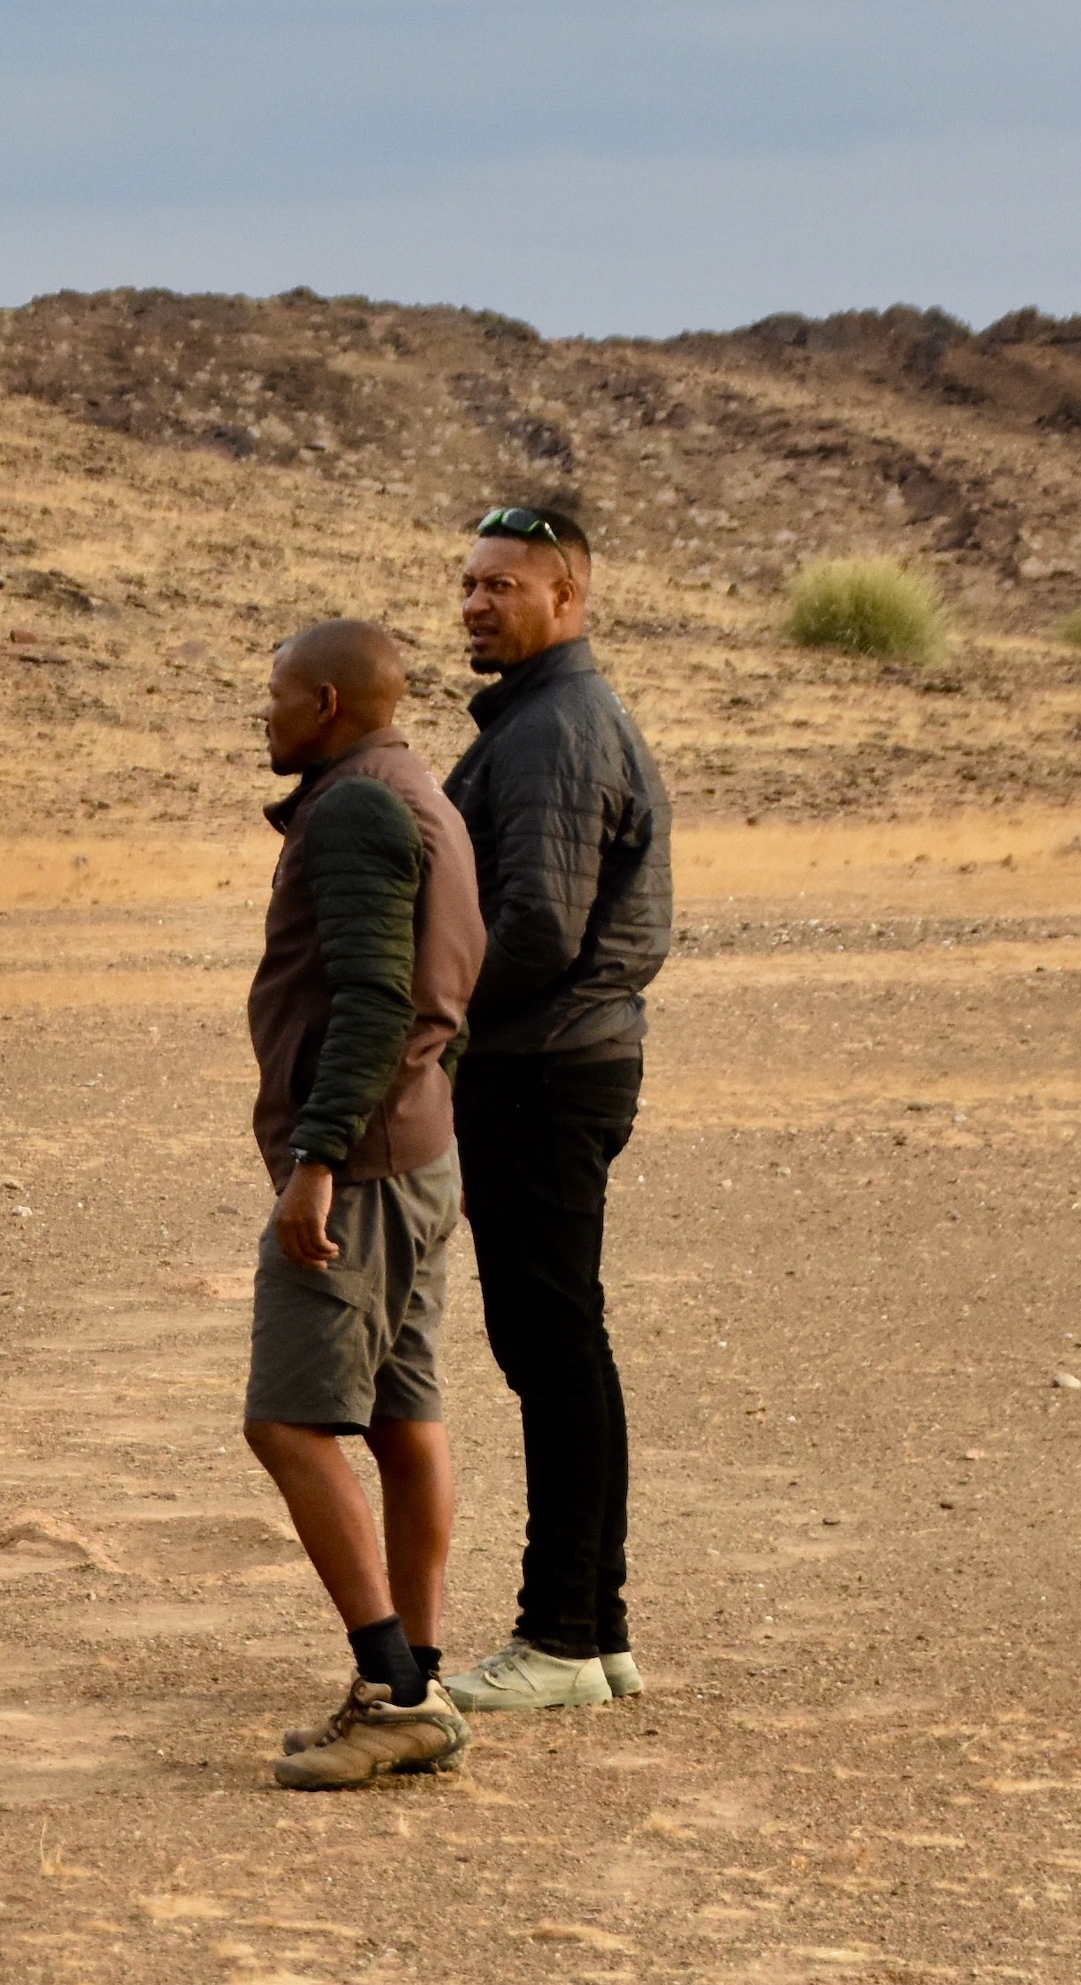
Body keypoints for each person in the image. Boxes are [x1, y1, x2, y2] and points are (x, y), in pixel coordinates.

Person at [240, 621, 485, 1790]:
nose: (266, 714)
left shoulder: (352, 811)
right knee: (400, 1414)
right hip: (419, 1146)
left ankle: (394, 1688)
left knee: (286, 1421)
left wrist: (317, 1155)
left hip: (369, 1162)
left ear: (326, 702)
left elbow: (375, 998)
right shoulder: (417, 792)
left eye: (278, 696)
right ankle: (417, 1681)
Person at [440, 504, 672, 1714]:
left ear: (569, 599)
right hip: (555, 1063)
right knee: (562, 1344)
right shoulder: (538, 718)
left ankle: (561, 1638)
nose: (476, 604)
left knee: (552, 1350)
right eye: (468, 584)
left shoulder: (552, 730)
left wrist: (434, 1029)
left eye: (504, 587)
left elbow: (534, 926)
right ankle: (599, 1629)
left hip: (542, 1067)